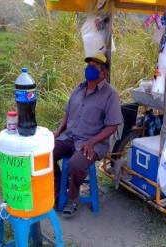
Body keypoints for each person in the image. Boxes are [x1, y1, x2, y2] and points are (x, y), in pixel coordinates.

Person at [53, 53, 122, 217]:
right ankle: (58, 188)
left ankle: (72, 198)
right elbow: (67, 114)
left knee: (76, 164)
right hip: (70, 136)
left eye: (93, 67)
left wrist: (92, 142)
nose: (89, 69)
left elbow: (112, 126)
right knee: (45, 154)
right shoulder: (79, 88)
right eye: (88, 65)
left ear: (103, 73)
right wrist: (58, 131)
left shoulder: (110, 95)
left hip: (93, 142)